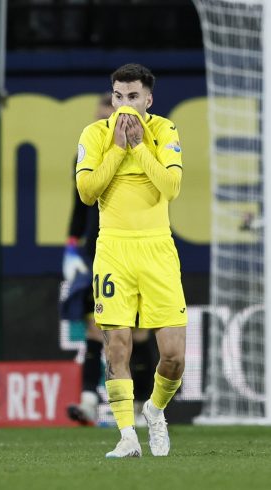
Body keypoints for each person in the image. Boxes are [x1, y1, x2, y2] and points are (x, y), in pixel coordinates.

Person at [75, 63, 187, 458]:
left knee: (173, 356)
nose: (124, 105)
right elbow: (87, 192)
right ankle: (126, 435)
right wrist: (118, 149)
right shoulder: (95, 135)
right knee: (116, 346)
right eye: (119, 97)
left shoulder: (164, 130)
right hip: (113, 251)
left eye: (133, 97)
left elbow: (170, 187)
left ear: (148, 99)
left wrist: (138, 146)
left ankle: (154, 411)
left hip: (157, 249)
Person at [63, 93, 155, 428]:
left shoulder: (143, 150)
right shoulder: (86, 153)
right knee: (95, 327)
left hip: (137, 248)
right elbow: (79, 206)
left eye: (109, 116)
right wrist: (71, 247)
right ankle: (89, 401)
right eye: (100, 118)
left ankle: (143, 405)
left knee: (139, 332)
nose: (103, 123)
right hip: (97, 254)